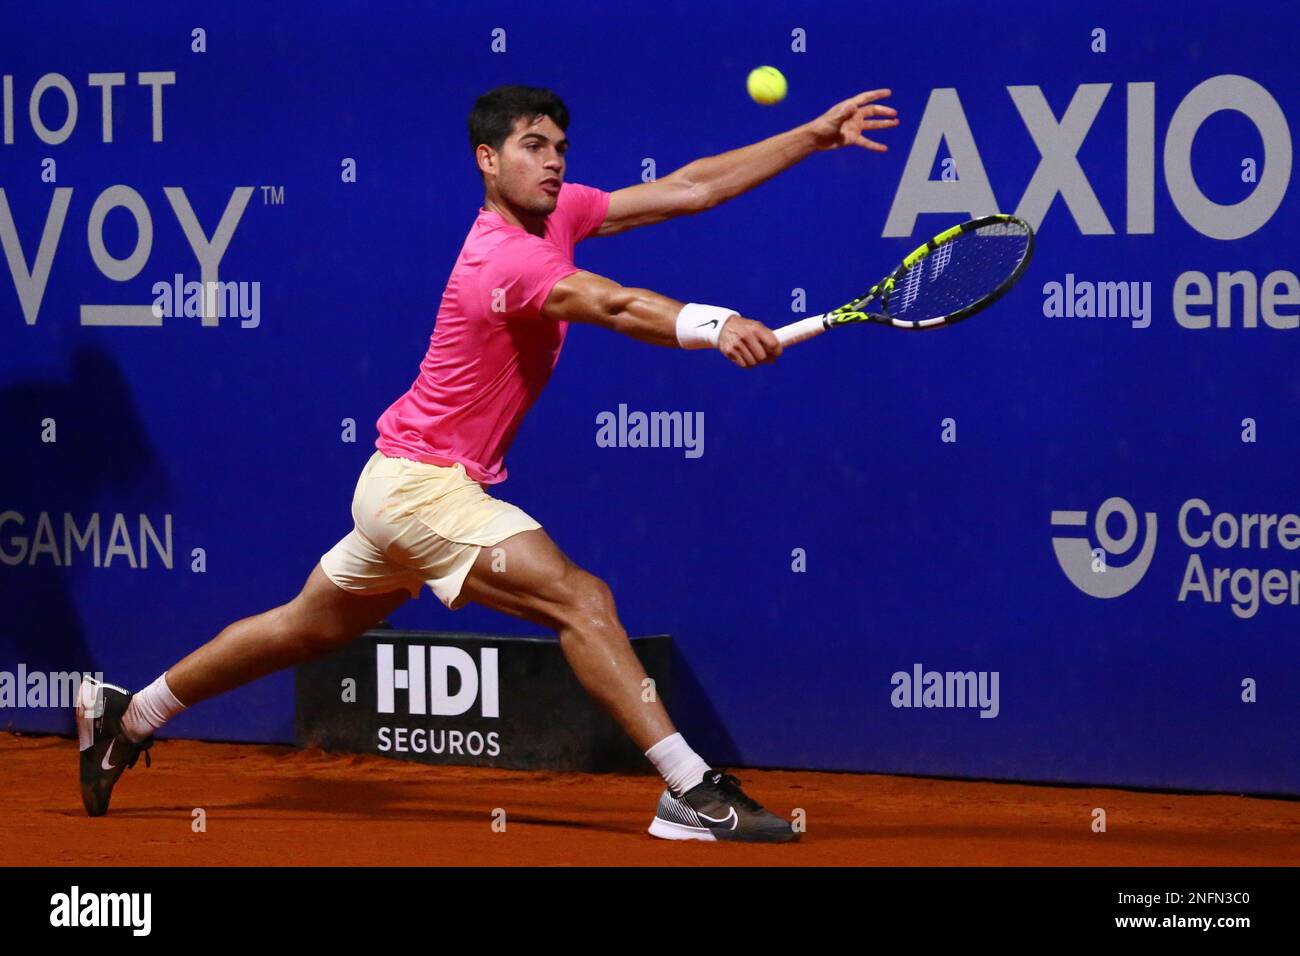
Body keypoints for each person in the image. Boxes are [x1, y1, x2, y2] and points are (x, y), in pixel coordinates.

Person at [77, 84, 898, 842]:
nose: (554, 162)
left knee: (303, 627)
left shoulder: (559, 216)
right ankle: (689, 790)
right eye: (534, 146)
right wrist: (712, 323)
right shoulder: (504, 260)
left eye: (560, 149)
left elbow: (692, 187)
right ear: (487, 159)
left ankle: (132, 713)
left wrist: (811, 136)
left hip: (398, 485)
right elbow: (609, 303)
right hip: (422, 490)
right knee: (583, 600)